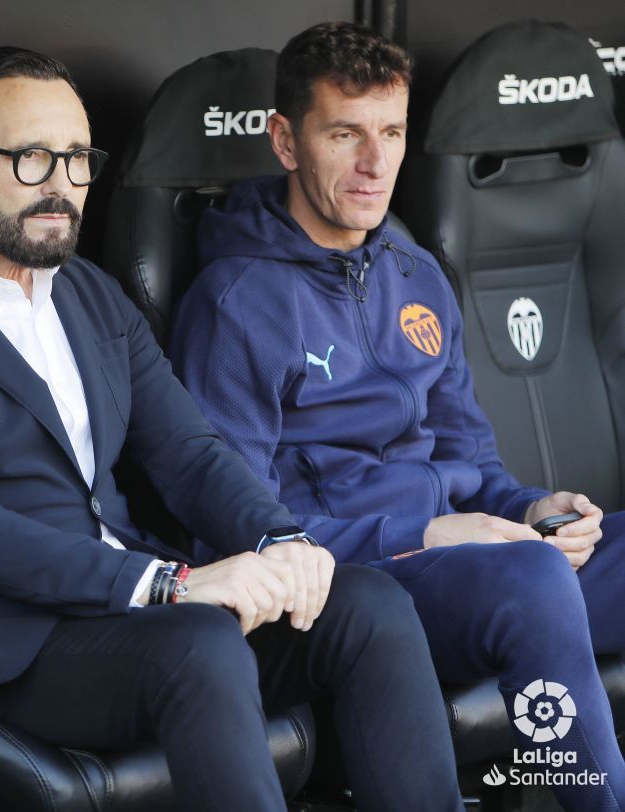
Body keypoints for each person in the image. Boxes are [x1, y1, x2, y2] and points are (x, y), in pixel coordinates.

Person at [0, 46, 465, 811]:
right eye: (30, 159)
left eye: (78, 160)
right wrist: (168, 585)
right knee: (198, 641)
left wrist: (278, 540)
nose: (61, 187)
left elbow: (187, 452)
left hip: (133, 618)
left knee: (369, 606)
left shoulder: (89, 293)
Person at [170, 20, 625, 812]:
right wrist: (421, 535)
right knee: (532, 575)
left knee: (556, 553)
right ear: (285, 141)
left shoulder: (416, 274)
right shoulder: (235, 302)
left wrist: (533, 508)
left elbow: (475, 466)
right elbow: (233, 532)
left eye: (391, 132)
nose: (376, 164)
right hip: (362, 590)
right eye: (345, 134)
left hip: (477, 565)